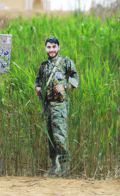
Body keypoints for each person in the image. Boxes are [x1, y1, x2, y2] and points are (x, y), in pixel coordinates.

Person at [34, 36, 79, 176]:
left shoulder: (65, 62)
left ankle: (65, 169)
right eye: (49, 47)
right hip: (47, 105)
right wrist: (37, 88)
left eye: (54, 47)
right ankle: (54, 167)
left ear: (58, 48)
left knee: (60, 136)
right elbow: (37, 81)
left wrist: (65, 87)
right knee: (51, 138)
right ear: (45, 48)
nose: (51, 50)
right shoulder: (43, 66)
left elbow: (75, 77)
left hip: (59, 105)